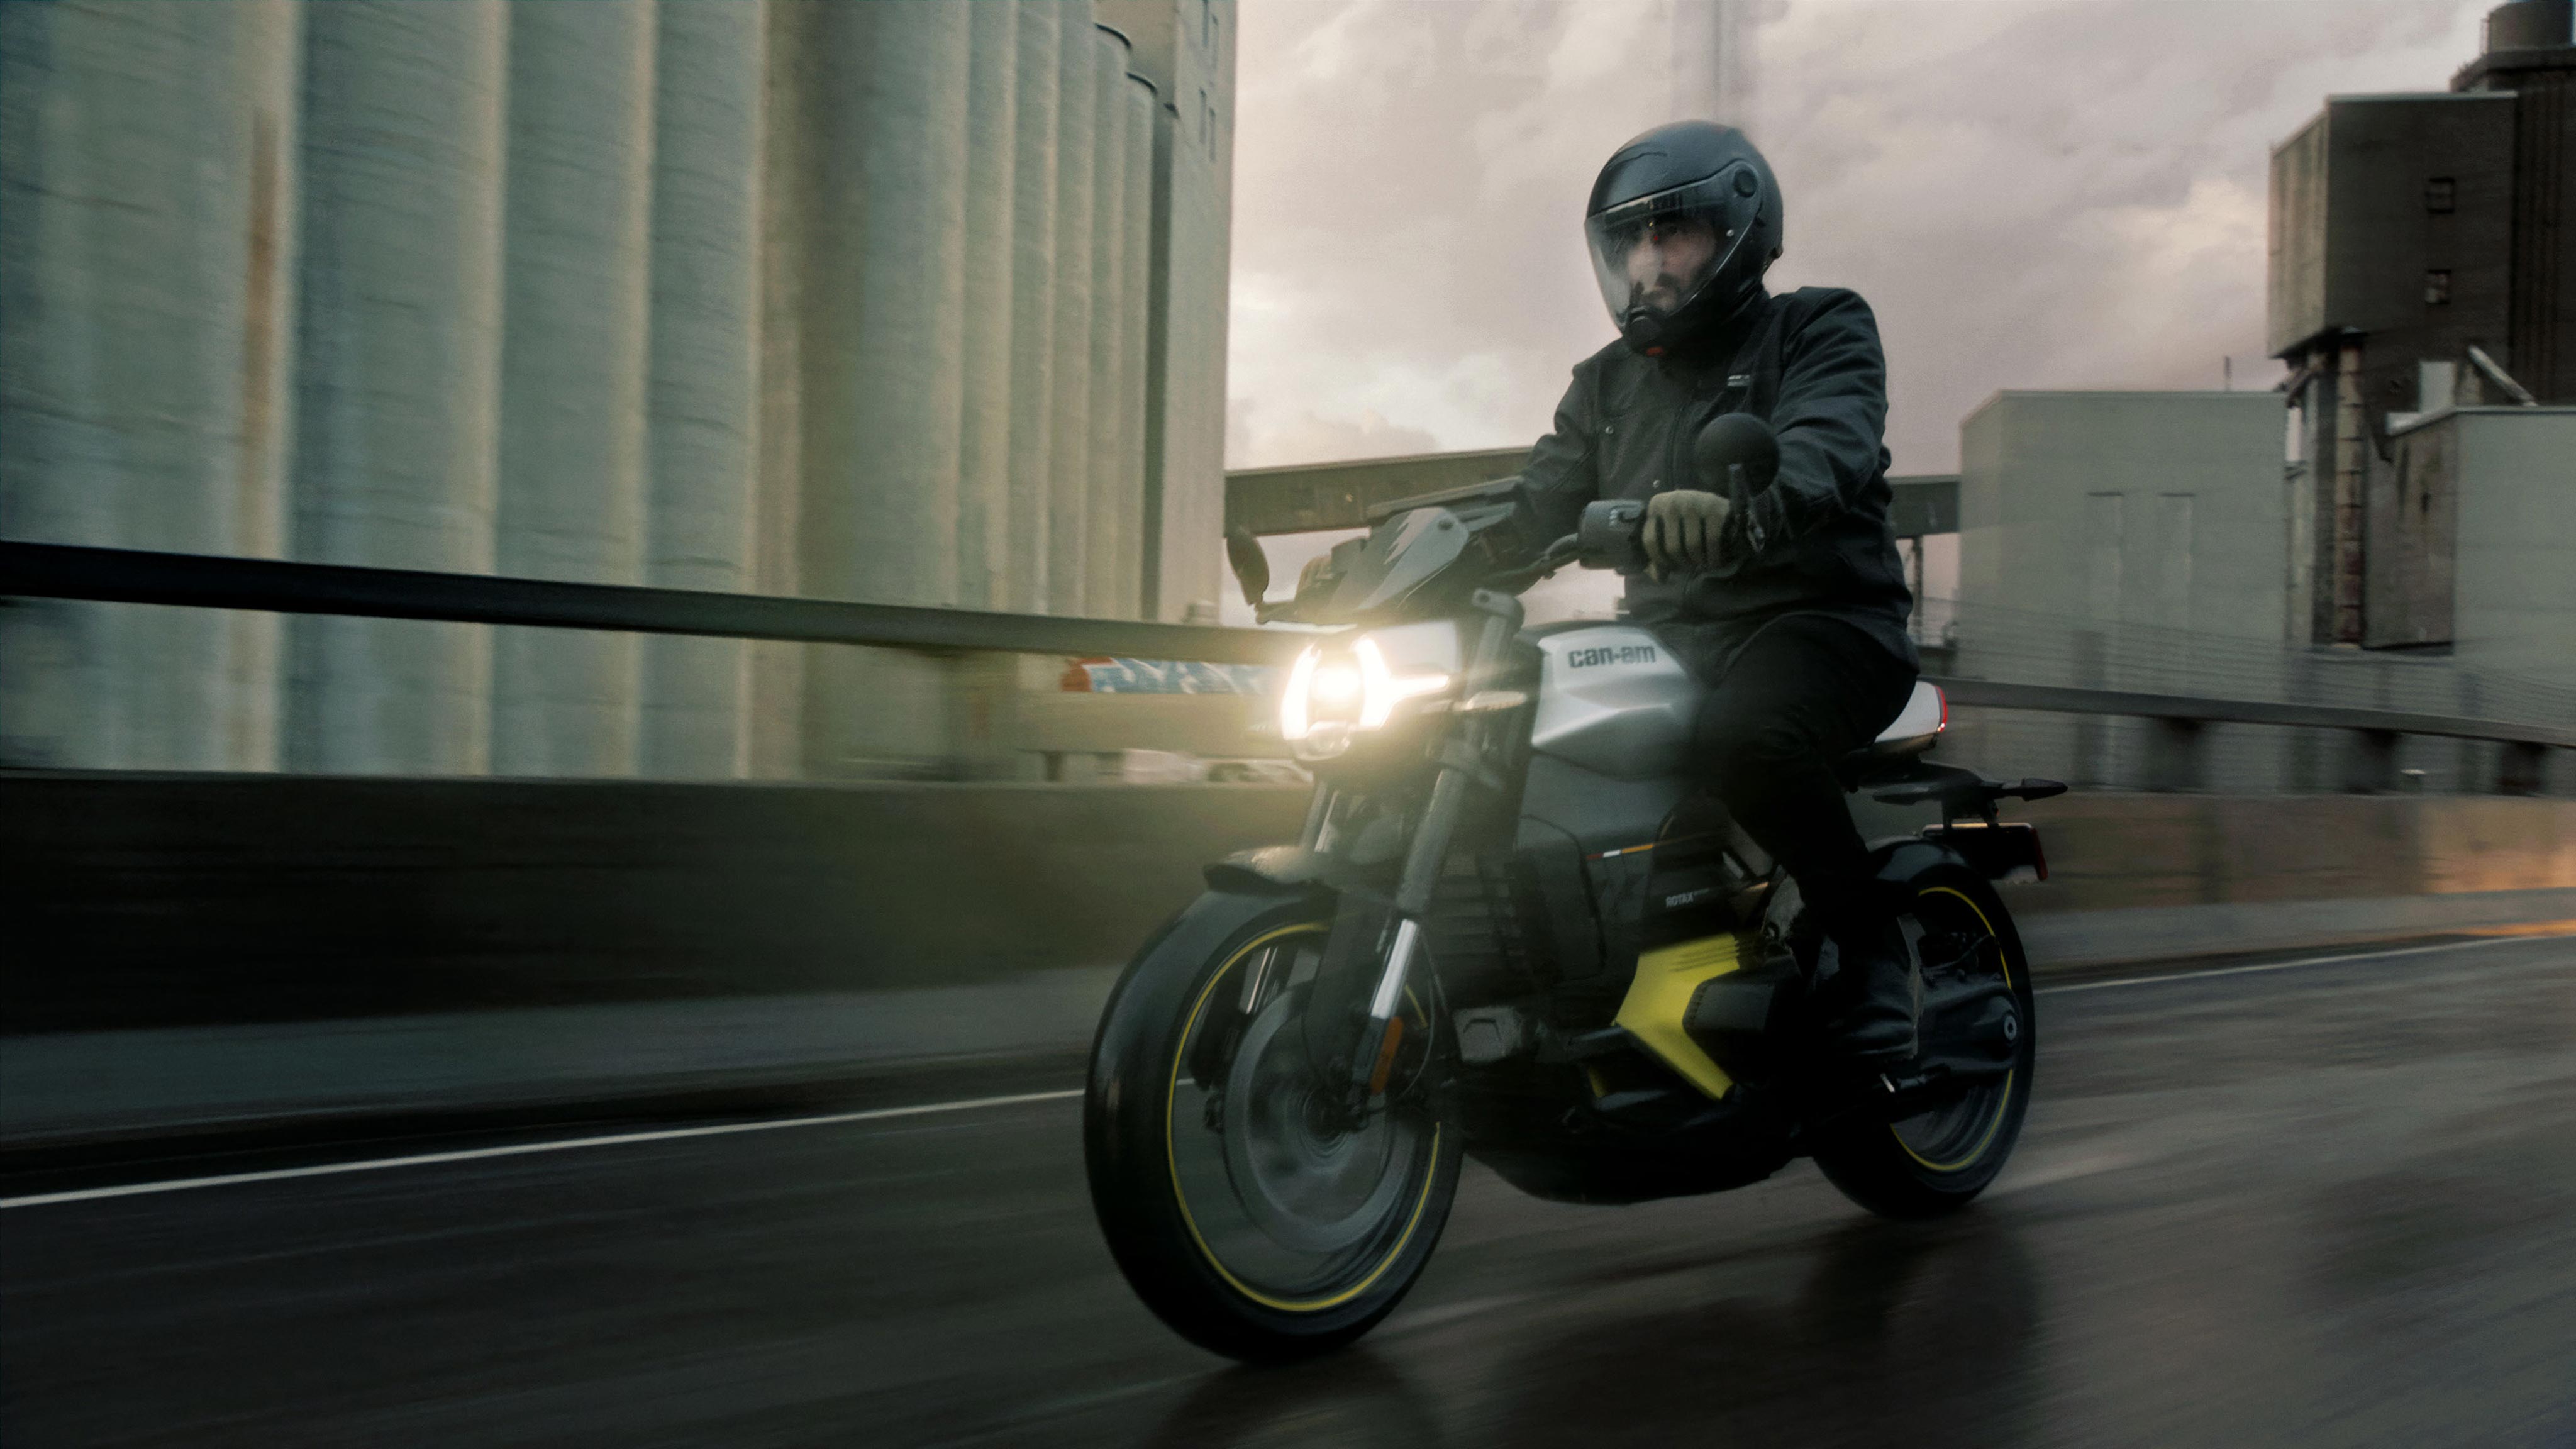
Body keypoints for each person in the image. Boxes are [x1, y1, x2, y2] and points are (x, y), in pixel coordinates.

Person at [1526, 120, 1923, 1065]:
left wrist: (1753, 499)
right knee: (1516, 724)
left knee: (1748, 737)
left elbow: (1833, 437)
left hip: (1825, 622)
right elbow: (1534, 498)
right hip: (1676, 641)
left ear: (1737, 235)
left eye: (1675, 236)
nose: (1650, 261)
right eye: (1632, 243)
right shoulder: (1604, 384)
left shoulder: (1819, 326)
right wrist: (1392, 553)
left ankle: (1876, 954)